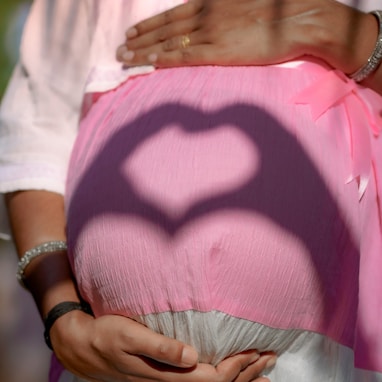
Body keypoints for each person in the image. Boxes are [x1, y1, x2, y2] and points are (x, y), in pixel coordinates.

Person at [0, 0, 381, 381]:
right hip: (111, 364)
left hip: (324, 359)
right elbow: (36, 129)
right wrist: (62, 317)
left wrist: (342, 30)